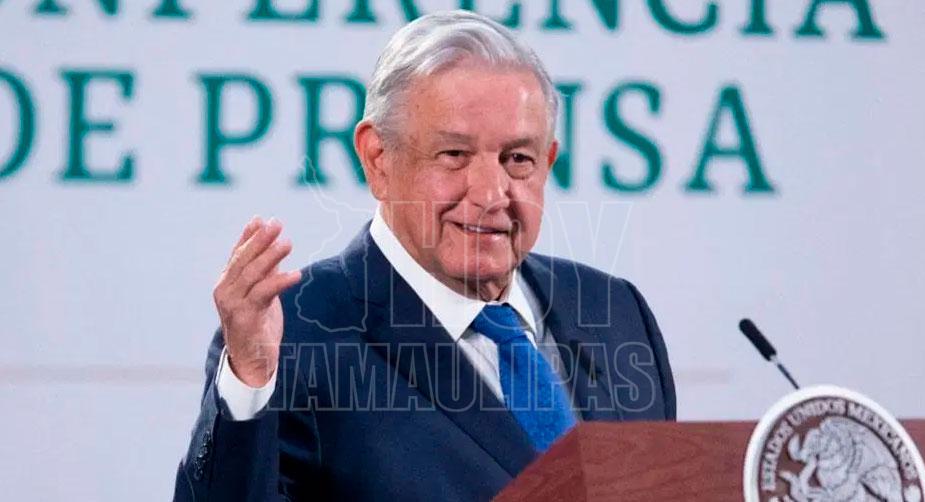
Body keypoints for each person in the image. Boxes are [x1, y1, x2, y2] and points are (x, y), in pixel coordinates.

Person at [173, 10, 675, 501]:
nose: (491, 194)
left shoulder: (617, 312)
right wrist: (250, 384)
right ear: (378, 159)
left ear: (547, 163)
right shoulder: (295, 333)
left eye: (517, 159)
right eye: (454, 155)